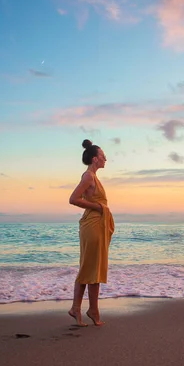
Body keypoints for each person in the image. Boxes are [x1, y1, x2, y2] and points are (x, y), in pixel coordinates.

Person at [68, 139, 115, 326]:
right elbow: (73, 199)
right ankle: (76, 308)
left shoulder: (94, 177)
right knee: (88, 267)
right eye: (103, 155)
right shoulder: (88, 176)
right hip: (92, 227)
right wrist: (97, 207)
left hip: (98, 226)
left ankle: (92, 310)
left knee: (95, 268)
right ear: (95, 159)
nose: (106, 158)